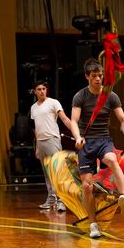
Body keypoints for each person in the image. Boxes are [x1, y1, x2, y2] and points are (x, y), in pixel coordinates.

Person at [70, 58, 124, 238]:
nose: (98, 79)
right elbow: (74, 121)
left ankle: (123, 196)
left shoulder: (111, 96)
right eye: (94, 76)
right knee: (87, 187)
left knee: (113, 159)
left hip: (103, 140)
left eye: (100, 75)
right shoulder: (80, 96)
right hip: (86, 143)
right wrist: (77, 137)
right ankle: (93, 224)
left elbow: (123, 120)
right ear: (87, 77)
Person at [31, 81, 73, 212]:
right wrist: (37, 146)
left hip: (52, 140)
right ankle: (51, 198)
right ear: (35, 91)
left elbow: (65, 119)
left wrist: (76, 132)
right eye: (39, 89)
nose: (42, 91)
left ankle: (62, 200)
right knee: (47, 172)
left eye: (44, 89)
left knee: (57, 170)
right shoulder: (33, 108)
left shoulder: (54, 103)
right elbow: (37, 129)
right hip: (41, 141)